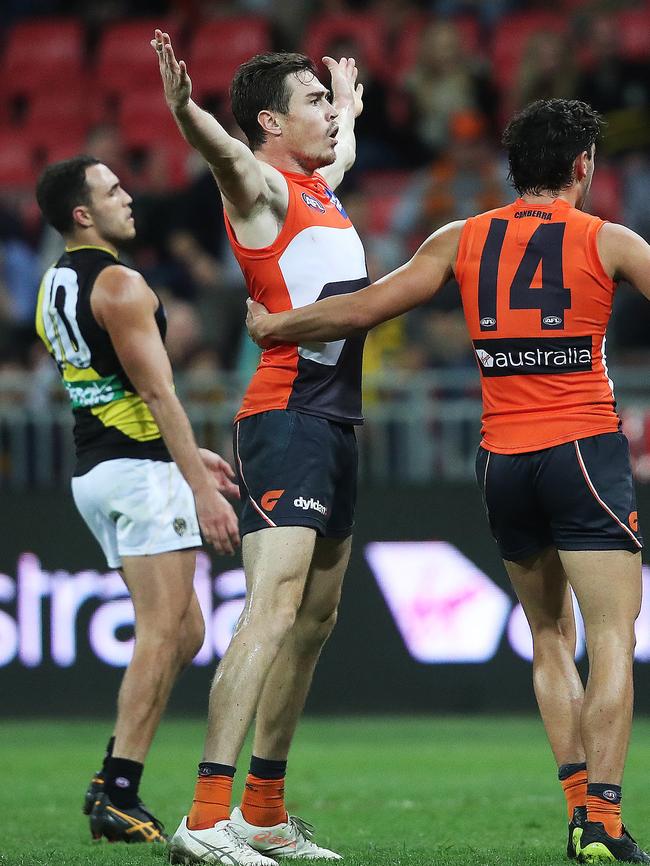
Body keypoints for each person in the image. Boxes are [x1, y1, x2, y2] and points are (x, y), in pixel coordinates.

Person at [247, 98, 650, 865]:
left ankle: (574, 805)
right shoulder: (612, 240)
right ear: (582, 167)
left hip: (502, 461)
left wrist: (276, 326)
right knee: (610, 639)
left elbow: (363, 307)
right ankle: (600, 821)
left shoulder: (459, 238)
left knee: (547, 637)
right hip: (583, 452)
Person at [152, 29, 364, 866]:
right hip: (285, 419)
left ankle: (264, 810)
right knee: (272, 609)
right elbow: (227, 160)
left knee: (314, 619)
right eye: (310, 101)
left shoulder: (319, 187)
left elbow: (336, 154)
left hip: (337, 422)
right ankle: (205, 817)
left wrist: (345, 100)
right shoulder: (263, 185)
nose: (328, 113)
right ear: (271, 123)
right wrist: (185, 113)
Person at [34, 155, 241, 844]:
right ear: (83, 214)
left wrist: (185, 455)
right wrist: (196, 484)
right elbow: (158, 391)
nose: (129, 196)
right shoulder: (121, 283)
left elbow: (109, 390)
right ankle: (118, 791)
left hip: (99, 470)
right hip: (140, 476)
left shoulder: (53, 283)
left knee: (185, 632)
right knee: (163, 631)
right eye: (113, 190)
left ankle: (111, 779)